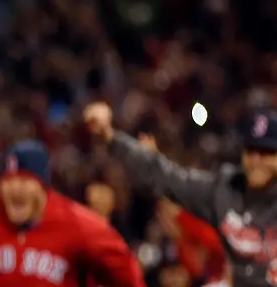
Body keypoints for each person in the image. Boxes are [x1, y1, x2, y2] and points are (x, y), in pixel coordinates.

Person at [84, 102, 277, 287]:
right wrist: (111, 136)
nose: (257, 161)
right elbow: (166, 176)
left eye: (266, 152)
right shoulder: (224, 190)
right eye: (251, 151)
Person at [0, 140, 145, 287]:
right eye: (9, 181)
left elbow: (126, 273)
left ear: (43, 187)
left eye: (25, 181)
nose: (16, 189)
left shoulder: (76, 223)